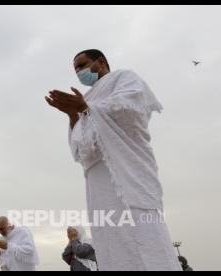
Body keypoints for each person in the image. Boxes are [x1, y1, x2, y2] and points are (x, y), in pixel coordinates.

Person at [45, 49, 181, 270]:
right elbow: (81, 152)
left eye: (83, 65)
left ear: (101, 61)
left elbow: (132, 112)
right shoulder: (87, 98)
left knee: (141, 236)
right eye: (76, 69)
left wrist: (85, 109)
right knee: (111, 242)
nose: (79, 71)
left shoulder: (123, 78)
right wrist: (73, 115)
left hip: (127, 175)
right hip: (99, 186)